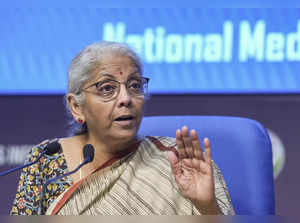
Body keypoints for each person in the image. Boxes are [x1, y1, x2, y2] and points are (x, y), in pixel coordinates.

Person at [10, 41, 235, 215]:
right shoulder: (47, 160)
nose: (126, 98)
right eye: (107, 88)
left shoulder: (179, 161)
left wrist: (207, 208)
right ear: (76, 106)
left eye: (135, 85)